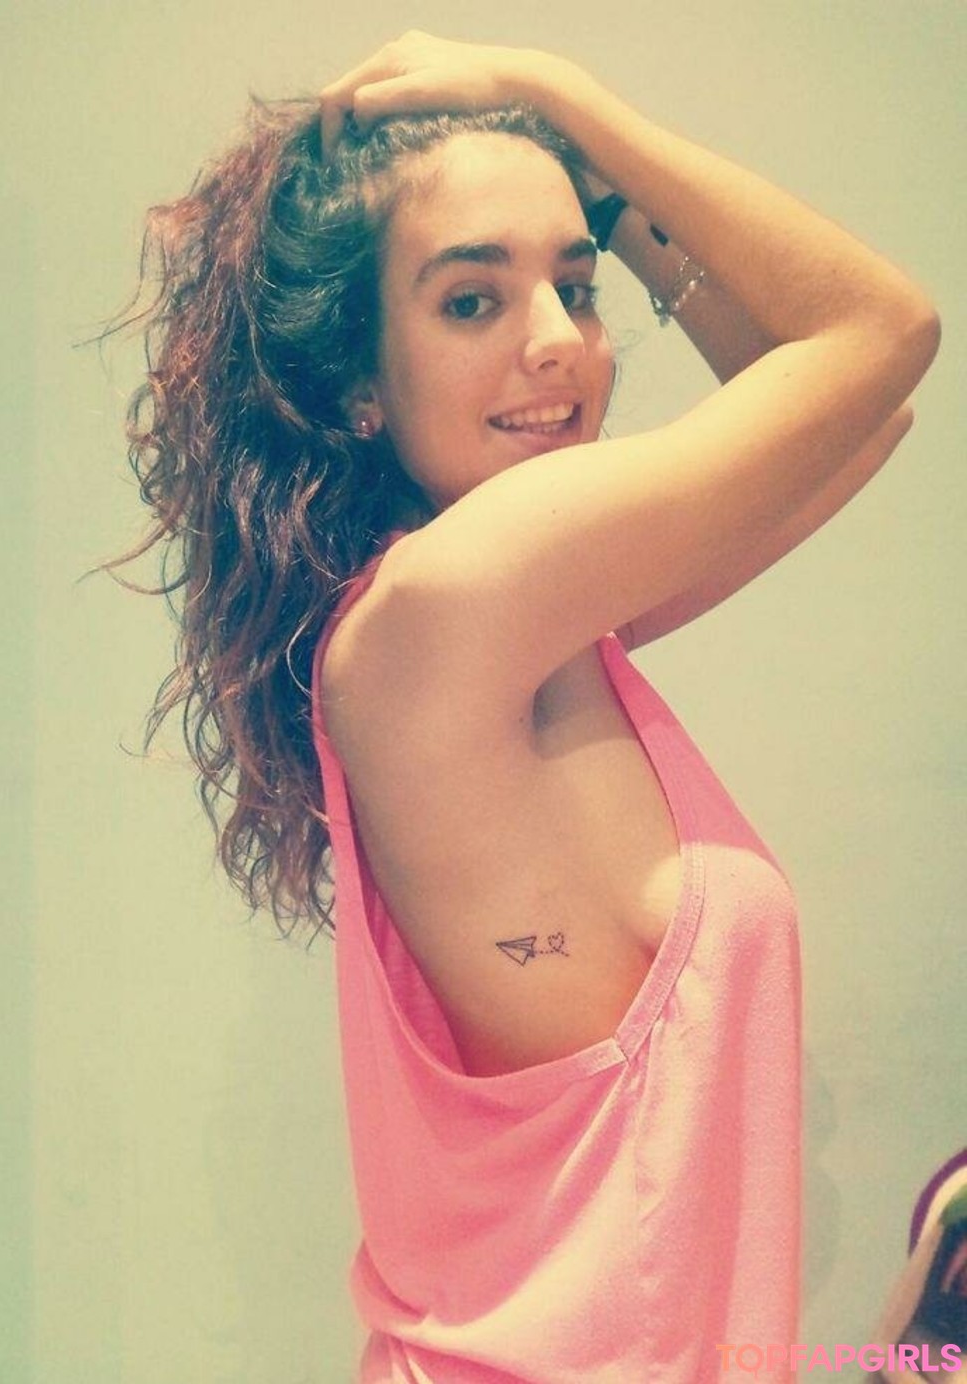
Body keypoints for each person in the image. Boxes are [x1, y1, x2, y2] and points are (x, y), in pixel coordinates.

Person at [112, 32, 939, 1383]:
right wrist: (568, 102)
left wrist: (610, 208)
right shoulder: (460, 600)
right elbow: (879, 334)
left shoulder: (507, 628)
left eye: (576, 285)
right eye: (472, 301)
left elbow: (850, 422)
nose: (559, 341)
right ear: (362, 386)